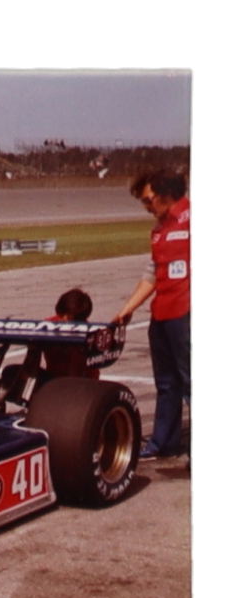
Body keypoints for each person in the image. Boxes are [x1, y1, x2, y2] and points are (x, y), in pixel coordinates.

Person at [111, 170, 190, 459]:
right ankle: (163, 443)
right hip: (162, 317)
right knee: (167, 384)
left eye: (148, 200)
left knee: (191, 381)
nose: (146, 207)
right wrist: (126, 309)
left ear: (166, 194)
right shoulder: (158, 231)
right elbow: (152, 274)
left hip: (187, 316)